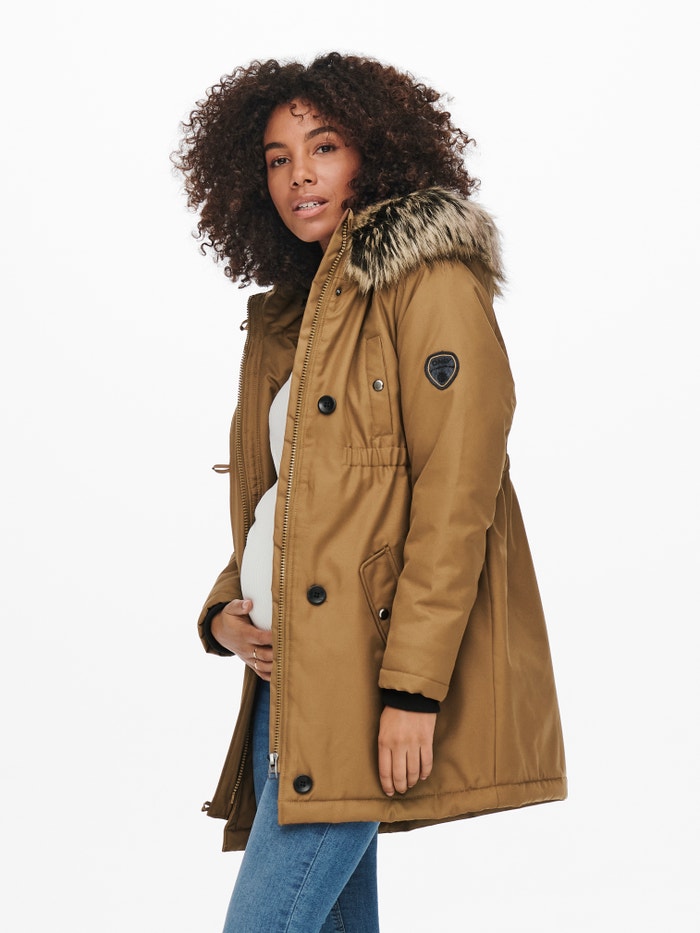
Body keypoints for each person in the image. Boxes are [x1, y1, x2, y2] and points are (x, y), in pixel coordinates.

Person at [174, 52, 567, 933]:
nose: (299, 175)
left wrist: (413, 692)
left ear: (375, 154)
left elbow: (458, 496)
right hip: (284, 673)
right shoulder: (296, 312)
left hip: (362, 677)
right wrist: (224, 610)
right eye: (277, 158)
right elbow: (292, 498)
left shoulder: (429, 281)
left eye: (324, 147)